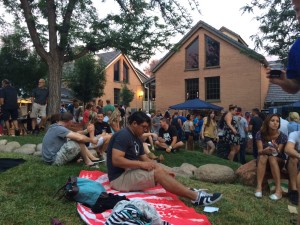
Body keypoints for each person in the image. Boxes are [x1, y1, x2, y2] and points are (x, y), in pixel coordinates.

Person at [106, 111, 222, 206]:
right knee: (157, 173)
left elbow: (144, 158)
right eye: (144, 127)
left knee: (160, 169)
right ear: (134, 123)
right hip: (119, 179)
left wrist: (162, 170)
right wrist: (142, 165)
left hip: (128, 172)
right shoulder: (123, 135)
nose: (146, 130)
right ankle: (196, 198)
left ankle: (188, 190)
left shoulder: (136, 137)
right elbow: (116, 160)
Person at [254, 114, 287, 200]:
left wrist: (276, 148)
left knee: (272, 158)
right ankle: (259, 187)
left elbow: (279, 153)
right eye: (273, 121)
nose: (275, 123)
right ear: (267, 122)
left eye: (277, 121)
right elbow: (259, 151)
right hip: (263, 159)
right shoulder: (260, 134)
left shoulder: (282, 136)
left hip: (277, 160)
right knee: (263, 156)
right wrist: (265, 151)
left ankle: (278, 190)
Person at [285, 130, 300, 205]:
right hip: (297, 160)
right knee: (293, 159)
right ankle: (294, 190)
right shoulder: (295, 134)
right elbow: (288, 149)